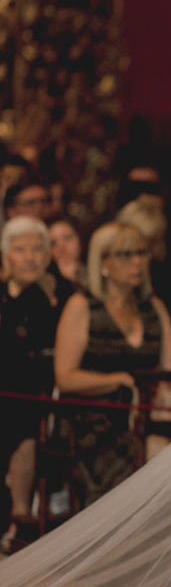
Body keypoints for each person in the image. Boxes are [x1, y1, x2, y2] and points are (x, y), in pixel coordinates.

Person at [53, 221, 171, 505]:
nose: (137, 262)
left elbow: (170, 369)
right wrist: (119, 381)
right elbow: (65, 377)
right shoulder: (82, 307)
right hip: (94, 420)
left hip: (144, 415)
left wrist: (170, 390)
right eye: (125, 255)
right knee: (138, 449)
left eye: (141, 253)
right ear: (103, 263)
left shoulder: (153, 308)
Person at [0, 217, 60, 552]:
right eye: (20, 250)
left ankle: (20, 519)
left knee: (23, 428)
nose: (29, 257)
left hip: (36, 398)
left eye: (37, 249)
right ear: (6, 256)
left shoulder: (59, 297)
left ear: (48, 255)